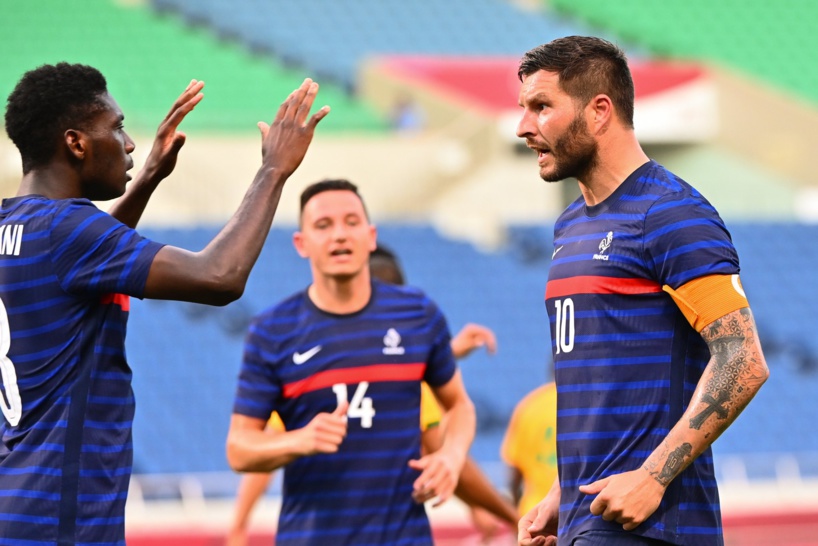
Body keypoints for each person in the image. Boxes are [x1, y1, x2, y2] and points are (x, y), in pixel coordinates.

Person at [0, 62, 328, 545]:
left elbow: (81, 268)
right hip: (61, 519)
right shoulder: (68, 230)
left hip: (20, 502)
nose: (131, 143)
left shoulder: (16, 224)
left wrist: (148, 178)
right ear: (76, 143)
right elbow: (220, 277)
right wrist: (273, 170)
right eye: (116, 127)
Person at [514, 36, 769, 546]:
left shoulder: (670, 212)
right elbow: (606, 384)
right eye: (524, 108)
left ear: (600, 111)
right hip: (588, 517)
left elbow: (743, 359)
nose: (524, 127)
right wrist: (562, 493)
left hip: (651, 526)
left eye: (542, 107)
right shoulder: (570, 226)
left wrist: (652, 477)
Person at [226, 179, 477, 545]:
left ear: (371, 236)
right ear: (301, 243)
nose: (339, 235)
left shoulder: (417, 313)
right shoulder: (272, 331)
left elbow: (459, 406)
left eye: (351, 222)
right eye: (323, 226)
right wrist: (301, 440)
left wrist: (452, 457)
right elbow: (239, 448)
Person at [500, 382, 558, 518]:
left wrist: (516, 516)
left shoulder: (530, 405)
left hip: (534, 513)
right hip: (577, 514)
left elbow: (515, 471)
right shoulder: (588, 402)